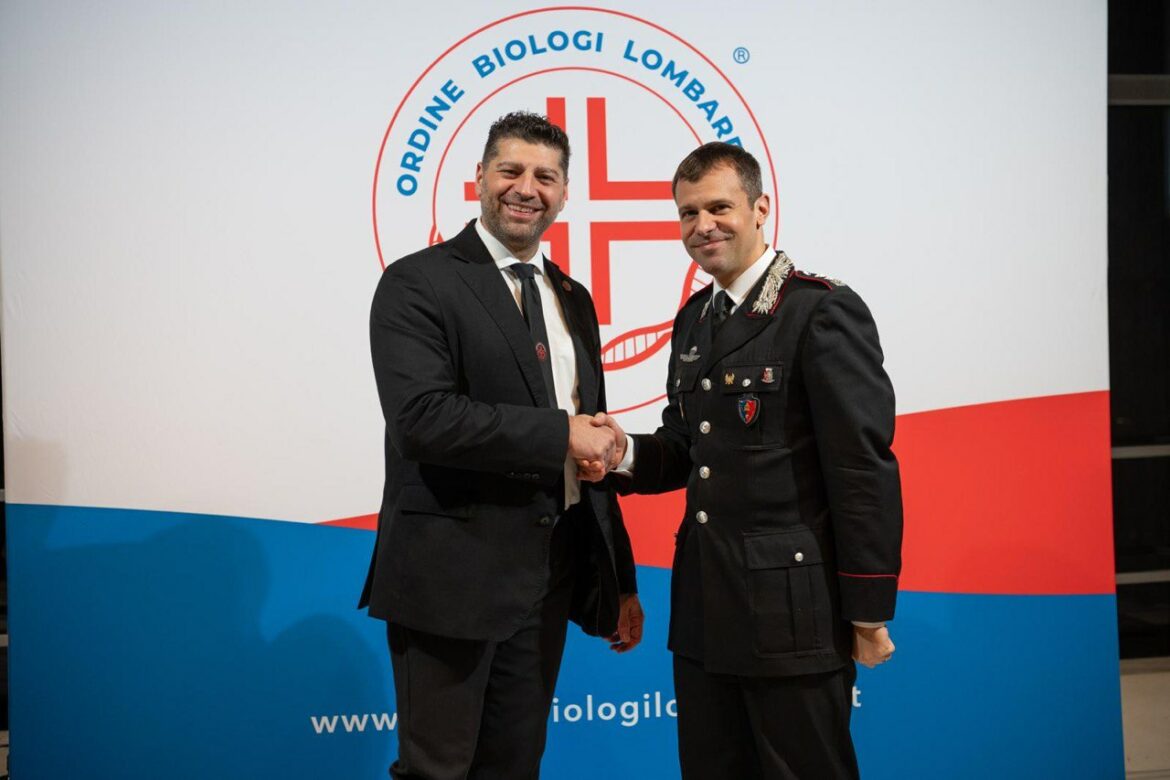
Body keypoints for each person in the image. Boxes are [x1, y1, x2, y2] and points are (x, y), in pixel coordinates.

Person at [585, 142, 902, 779]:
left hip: (792, 612)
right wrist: (622, 452)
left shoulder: (819, 310)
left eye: (719, 208)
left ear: (761, 208)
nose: (703, 226)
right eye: (688, 213)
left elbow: (861, 470)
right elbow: (688, 447)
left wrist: (868, 609)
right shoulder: (694, 320)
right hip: (705, 607)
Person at [360, 111, 644, 780]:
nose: (526, 188)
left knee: (516, 767)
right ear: (479, 178)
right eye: (510, 170)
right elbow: (422, 419)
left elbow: (589, 448)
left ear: (564, 193)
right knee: (438, 771)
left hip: (549, 576)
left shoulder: (573, 298)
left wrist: (620, 578)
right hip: (449, 577)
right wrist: (561, 432)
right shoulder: (417, 281)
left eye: (545, 176)